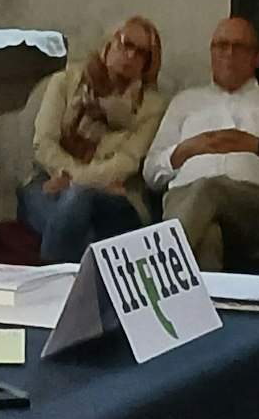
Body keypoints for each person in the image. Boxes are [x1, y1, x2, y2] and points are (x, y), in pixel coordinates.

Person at [143, 17, 259, 270]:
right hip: (182, 201)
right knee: (208, 238)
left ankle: (154, 272)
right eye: (221, 46)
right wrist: (189, 149)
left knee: (209, 188)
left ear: (258, 57)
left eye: (239, 47)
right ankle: (201, 296)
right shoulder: (185, 102)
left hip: (252, 207)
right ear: (211, 52)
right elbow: (151, 173)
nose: (229, 54)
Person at [17, 18, 168, 264]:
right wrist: (69, 175)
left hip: (115, 198)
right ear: (108, 44)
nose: (131, 56)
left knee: (77, 198)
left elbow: (127, 162)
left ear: (148, 65)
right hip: (49, 180)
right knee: (77, 222)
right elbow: (44, 142)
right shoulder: (65, 82)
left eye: (142, 53)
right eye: (126, 44)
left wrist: (75, 181)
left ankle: (53, 278)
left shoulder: (152, 106)